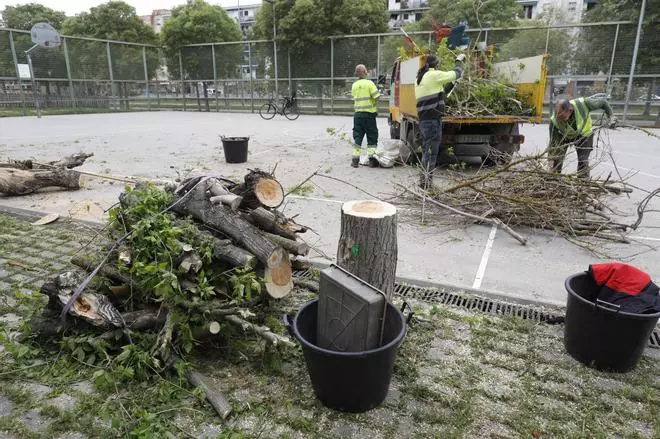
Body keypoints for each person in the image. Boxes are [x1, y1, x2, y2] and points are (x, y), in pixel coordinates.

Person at [414, 54, 465, 188]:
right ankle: (426, 184)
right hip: (432, 121)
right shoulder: (434, 75)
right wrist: (459, 61)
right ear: (436, 64)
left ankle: (424, 181)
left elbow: (441, 92)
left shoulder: (421, 78)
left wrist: (453, 84)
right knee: (431, 153)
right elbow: (457, 72)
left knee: (427, 151)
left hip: (425, 120)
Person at [549, 97, 617, 177]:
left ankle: (583, 183)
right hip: (564, 136)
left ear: (570, 110)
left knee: (583, 160)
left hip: (584, 135)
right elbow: (553, 143)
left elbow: (603, 102)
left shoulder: (584, 104)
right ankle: (555, 179)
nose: (560, 120)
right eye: (558, 117)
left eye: (562, 117)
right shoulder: (554, 121)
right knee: (557, 159)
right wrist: (551, 161)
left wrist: (611, 116)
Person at [351, 64, 381, 168]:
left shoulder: (354, 85)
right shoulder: (370, 83)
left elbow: (354, 98)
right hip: (369, 115)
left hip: (358, 115)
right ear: (365, 72)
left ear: (356, 73)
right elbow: (376, 96)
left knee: (358, 137)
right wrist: (373, 103)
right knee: (372, 137)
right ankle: (372, 160)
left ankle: (355, 160)